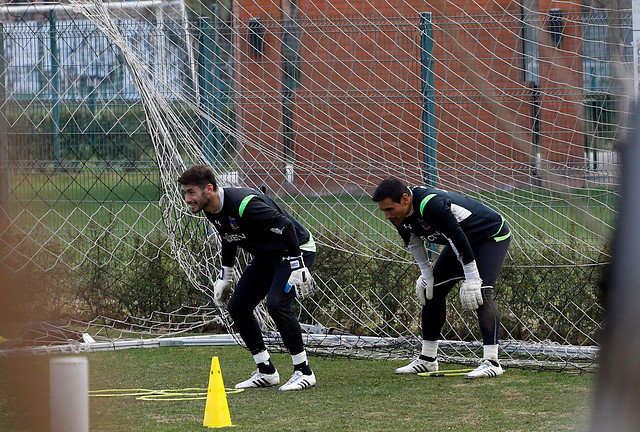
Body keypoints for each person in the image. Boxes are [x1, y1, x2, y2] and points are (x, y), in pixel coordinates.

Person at [178, 164, 317, 391]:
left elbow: (286, 226)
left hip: (295, 249)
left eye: (191, 192)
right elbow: (228, 236)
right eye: (185, 193)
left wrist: (297, 265)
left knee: (277, 305)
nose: (187, 199)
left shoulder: (245, 205)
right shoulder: (211, 209)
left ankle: (304, 372)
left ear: (209, 189)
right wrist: (226, 276)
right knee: (239, 307)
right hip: (267, 255)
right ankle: (266, 371)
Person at [372, 178, 511, 379]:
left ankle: (492, 362)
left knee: (480, 292)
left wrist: (472, 277)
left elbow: (456, 237)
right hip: (461, 242)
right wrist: (427, 275)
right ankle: (428, 360)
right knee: (432, 291)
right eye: (383, 210)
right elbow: (413, 243)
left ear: (404, 199)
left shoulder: (431, 204)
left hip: (490, 237)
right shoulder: (399, 216)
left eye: (389, 209)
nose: (386, 215)